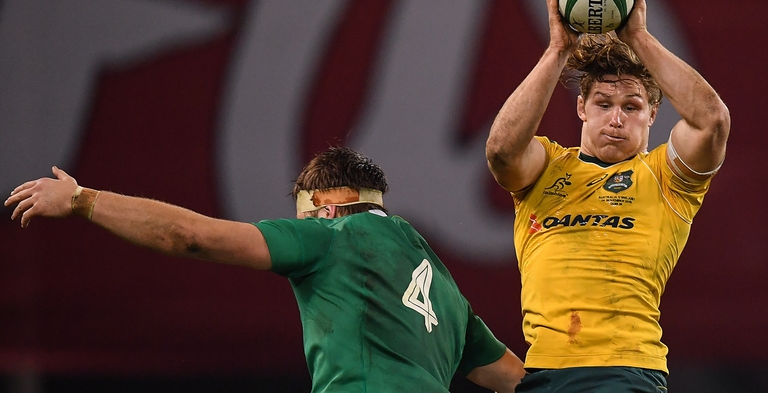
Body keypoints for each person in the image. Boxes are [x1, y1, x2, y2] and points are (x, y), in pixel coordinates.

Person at [4, 147, 525, 393]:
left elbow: (191, 236)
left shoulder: (330, 235)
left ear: (321, 202)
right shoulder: (442, 286)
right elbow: (517, 381)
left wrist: (82, 200)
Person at [484, 0, 730, 392]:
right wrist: (558, 49)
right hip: (542, 374)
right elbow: (501, 152)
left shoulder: (664, 178)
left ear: (654, 114)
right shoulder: (546, 166)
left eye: (632, 106)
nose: (616, 118)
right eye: (603, 103)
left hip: (625, 372)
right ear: (581, 107)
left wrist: (639, 37)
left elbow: (712, 123)